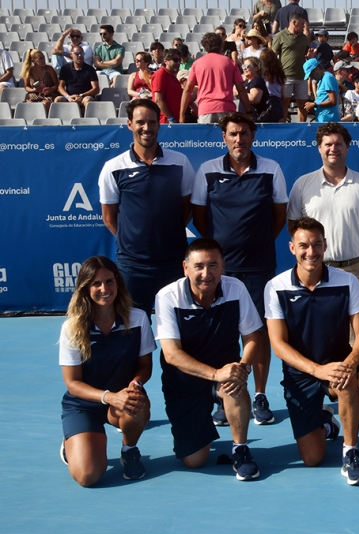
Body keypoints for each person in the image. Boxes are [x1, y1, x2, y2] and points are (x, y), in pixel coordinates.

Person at [191, 112, 287, 427]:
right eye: (232, 133)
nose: (238, 139)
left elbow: (278, 217)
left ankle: (258, 394)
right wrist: (220, 258)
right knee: (223, 335)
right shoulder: (207, 171)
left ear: (252, 136)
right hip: (220, 271)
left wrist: (254, 244)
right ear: (224, 137)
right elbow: (201, 219)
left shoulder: (271, 170)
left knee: (258, 333)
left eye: (244, 133)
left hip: (260, 267)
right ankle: (226, 393)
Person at [265, 218, 359, 485]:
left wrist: (347, 364)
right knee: (312, 458)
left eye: (316, 245)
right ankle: (326, 422)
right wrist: (316, 370)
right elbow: (278, 345)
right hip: (300, 375)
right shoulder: (276, 287)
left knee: (348, 380)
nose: (310, 252)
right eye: (303, 246)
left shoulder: (347, 282)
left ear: (325, 246)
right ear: (292, 248)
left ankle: (351, 451)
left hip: (337, 367)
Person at [287, 122, 359, 420]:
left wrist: (354, 253)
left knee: (358, 335)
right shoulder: (303, 184)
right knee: (316, 335)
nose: (333, 148)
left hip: (353, 268)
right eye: (327, 144)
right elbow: (294, 228)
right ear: (319, 148)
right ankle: (320, 390)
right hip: (315, 271)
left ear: (347, 147)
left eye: (338, 143)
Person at [155, 239, 264, 480]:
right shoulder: (168, 296)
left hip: (224, 375)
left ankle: (240, 449)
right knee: (195, 460)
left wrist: (242, 367)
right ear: (185, 268)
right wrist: (215, 374)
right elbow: (171, 354)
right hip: (183, 383)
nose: (206, 273)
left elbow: (252, 337)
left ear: (223, 266)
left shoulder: (236, 288)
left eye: (213, 265)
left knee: (233, 385)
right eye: (199, 266)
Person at [58, 257, 154, 487]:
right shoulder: (72, 327)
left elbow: (145, 365)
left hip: (120, 401)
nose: (104, 289)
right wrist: (109, 396)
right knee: (88, 476)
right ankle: (72, 442)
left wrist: (135, 385)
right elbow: (72, 383)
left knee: (137, 403)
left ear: (118, 283)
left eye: (109, 281)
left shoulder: (138, 318)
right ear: (85, 288)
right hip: (83, 406)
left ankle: (129, 450)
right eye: (96, 284)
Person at [99, 99, 195, 313]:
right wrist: (134, 241)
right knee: (132, 329)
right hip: (132, 267)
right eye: (140, 122)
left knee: (180, 327)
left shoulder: (180, 162)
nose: (146, 128)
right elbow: (109, 217)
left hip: (174, 262)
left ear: (159, 124)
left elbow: (187, 209)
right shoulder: (113, 167)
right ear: (129, 124)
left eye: (152, 122)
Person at [181, 33, 252, 124]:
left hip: (205, 109)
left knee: (206, 138)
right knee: (227, 137)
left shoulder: (197, 63)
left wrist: (181, 114)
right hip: (226, 108)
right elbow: (241, 88)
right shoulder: (230, 62)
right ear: (221, 44)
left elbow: (187, 90)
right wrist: (248, 111)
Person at [271, 13, 310, 122]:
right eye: (302, 24)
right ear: (294, 23)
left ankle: (302, 127)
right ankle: (283, 126)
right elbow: (273, 54)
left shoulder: (304, 38)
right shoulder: (280, 36)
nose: (304, 26)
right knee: (285, 101)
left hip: (302, 76)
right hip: (285, 75)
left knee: (303, 103)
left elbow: (307, 53)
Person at [55, 44, 99, 112]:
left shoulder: (90, 69)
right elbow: (60, 87)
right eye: (77, 53)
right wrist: (68, 97)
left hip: (84, 96)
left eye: (82, 53)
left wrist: (82, 95)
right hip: (70, 97)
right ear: (71, 55)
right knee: (58, 100)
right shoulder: (65, 68)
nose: (80, 56)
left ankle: (88, 121)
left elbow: (96, 89)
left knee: (88, 101)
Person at [151, 49, 184, 123]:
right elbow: (158, 99)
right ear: (165, 61)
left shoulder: (172, 77)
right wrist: (170, 118)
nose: (178, 63)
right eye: (175, 60)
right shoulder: (161, 74)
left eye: (179, 60)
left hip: (174, 120)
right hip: (165, 122)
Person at [258, 47, 286, 122]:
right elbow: (284, 94)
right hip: (277, 101)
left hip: (266, 101)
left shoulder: (261, 74)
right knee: (277, 127)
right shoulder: (280, 74)